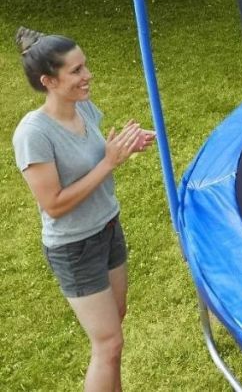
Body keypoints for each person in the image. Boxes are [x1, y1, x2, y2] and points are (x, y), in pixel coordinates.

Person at [12, 26, 155, 392]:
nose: (87, 75)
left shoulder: (84, 108)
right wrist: (109, 163)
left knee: (114, 328)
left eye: (85, 66)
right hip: (74, 247)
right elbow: (54, 204)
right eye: (76, 71)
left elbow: (92, 158)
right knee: (107, 343)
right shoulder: (34, 134)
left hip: (107, 228)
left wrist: (126, 147)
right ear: (48, 81)